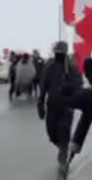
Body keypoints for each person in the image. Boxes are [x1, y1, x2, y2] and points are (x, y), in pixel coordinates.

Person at [37, 41, 83, 172]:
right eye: (56, 51)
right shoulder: (49, 65)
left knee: (63, 136)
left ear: (65, 51)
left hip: (66, 107)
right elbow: (43, 84)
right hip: (52, 107)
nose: (58, 53)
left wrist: (71, 89)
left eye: (61, 51)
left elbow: (79, 84)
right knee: (52, 135)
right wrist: (40, 101)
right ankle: (62, 149)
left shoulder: (71, 66)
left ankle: (63, 160)